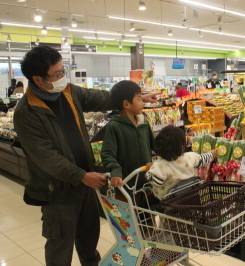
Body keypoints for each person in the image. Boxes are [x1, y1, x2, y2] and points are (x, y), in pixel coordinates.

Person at [13, 46, 159, 266]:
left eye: (63, 71)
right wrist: (81, 175)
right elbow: (45, 157)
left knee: (89, 241)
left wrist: (137, 98)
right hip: (57, 191)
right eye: (58, 74)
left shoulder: (68, 92)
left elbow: (101, 98)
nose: (63, 77)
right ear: (38, 79)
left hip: (85, 185)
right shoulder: (27, 112)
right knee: (60, 248)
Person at [101, 80, 155, 189]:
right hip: (126, 183)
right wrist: (115, 170)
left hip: (147, 180)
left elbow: (154, 144)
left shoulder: (143, 122)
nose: (143, 103)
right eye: (139, 99)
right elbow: (107, 153)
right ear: (126, 104)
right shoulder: (114, 126)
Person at [146, 125, 217, 199]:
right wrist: (212, 154)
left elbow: (156, 182)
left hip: (168, 201)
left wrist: (150, 169)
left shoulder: (159, 165)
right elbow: (202, 159)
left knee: (146, 202)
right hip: (189, 196)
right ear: (182, 147)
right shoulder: (190, 157)